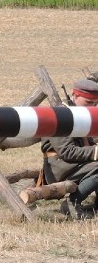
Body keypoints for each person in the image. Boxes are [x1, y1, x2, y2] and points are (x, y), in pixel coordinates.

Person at [40, 78, 98, 220]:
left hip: (75, 164)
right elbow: (67, 152)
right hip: (59, 166)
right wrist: (96, 151)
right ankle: (71, 203)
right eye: (89, 102)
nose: (92, 107)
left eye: (95, 104)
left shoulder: (81, 114)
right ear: (76, 96)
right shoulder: (59, 116)